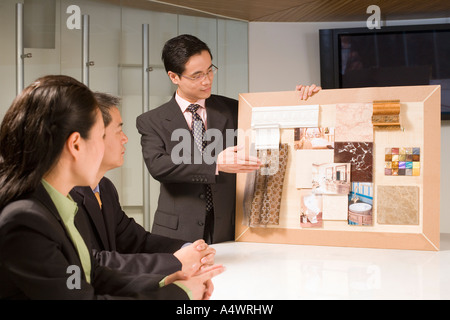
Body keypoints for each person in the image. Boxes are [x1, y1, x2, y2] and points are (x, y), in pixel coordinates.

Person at [0, 75, 224, 300]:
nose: (124, 140)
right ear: (76, 144)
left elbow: (87, 276)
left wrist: (164, 282)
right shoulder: (25, 220)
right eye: (100, 136)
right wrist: (179, 294)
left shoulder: (60, 205)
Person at [137, 34, 321, 244]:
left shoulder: (236, 109)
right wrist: (215, 164)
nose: (207, 80)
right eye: (197, 75)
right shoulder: (152, 120)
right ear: (174, 77)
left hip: (229, 229)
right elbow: (159, 166)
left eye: (210, 70)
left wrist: (306, 99)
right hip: (176, 232)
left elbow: (281, 126)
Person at [70, 92, 215, 277]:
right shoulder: (65, 195)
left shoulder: (104, 188)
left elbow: (136, 241)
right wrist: (177, 262)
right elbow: (93, 262)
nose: (125, 139)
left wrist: (189, 248)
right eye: (118, 131)